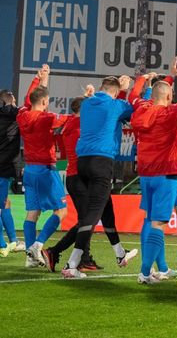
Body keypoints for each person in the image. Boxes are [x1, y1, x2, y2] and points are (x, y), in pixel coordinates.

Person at [130, 58, 177, 285]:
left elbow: (134, 95)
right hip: (167, 173)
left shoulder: (142, 107)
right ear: (170, 97)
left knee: (158, 216)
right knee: (158, 223)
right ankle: (145, 272)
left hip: (146, 173)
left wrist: (150, 78)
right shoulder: (171, 113)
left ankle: (162, 267)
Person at [62, 75, 138, 279]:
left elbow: (106, 102)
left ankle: (120, 254)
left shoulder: (87, 104)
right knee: (93, 214)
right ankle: (71, 264)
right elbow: (132, 109)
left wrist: (117, 91)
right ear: (114, 91)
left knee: (106, 208)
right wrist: (126, 89)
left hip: (83, 162)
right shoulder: (115, 105)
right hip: (101, 162)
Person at [42, 87, 115, 273]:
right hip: (80, 177)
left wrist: (91, 97)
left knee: (86, 220)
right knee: (87, 220)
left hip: (75, 176)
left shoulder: (71, 124)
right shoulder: (78, 125)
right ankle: (73, 256)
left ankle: (72, 255)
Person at [16, 65, 70, 267]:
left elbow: (32, 99)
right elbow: (72, 119)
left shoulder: (22, 115)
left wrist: (41, 79)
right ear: (46, 102)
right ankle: (38, 245)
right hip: (46, 170)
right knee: (61, 211)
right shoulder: (47, 118)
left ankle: (30, 258)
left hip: (29, 170)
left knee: (33, 213)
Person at [0, 87, 25, 256]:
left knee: (5, 203)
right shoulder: (15, 115)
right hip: (4, 168)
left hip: (4, 169)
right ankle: (2, 245)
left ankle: (14, 241)